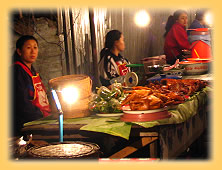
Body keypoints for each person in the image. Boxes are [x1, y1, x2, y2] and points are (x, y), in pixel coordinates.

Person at [13, 35, 51, 137]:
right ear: (19, 51)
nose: (33, 51)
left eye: (35, 47)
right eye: (28, 48)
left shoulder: (32, 71)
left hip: (39, 119)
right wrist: (41, 115)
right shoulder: (17, 71)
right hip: (26, 125)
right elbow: (21, 102)